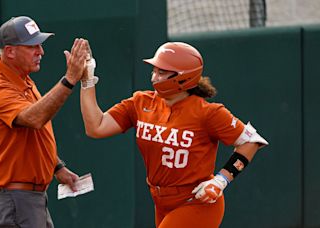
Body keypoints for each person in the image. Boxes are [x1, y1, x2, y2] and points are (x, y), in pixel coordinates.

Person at [79, 42, 268, 227]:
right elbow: (96, 127)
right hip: (160, 201)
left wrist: (221, 180)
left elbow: (251, 141)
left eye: (162, 72)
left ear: (184, 77)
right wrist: (87, 79)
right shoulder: (141, 102)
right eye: (154, 70)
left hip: (197, 201)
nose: (154, 77)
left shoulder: (208, 113)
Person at [0, 16, 89, 228]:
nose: (41, 51)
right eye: (32, 46)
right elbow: (35, 119)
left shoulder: (23, 78)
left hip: (28, 198)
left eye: (40, 44)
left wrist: (57, 167)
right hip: (14, 199)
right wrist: (70, 79)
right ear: (10, 51)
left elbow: (33, 135)